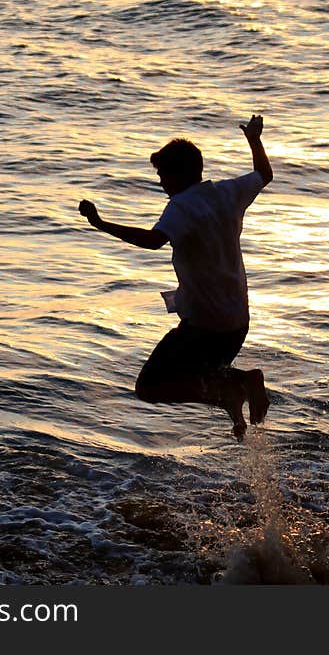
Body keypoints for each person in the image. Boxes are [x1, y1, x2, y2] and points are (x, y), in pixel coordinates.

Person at [79, 115, 273, 440]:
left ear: (180, 174)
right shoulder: (227, 192)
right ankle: (233, 403)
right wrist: (254, 139)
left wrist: (100, 223)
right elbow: (264, 174)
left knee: (150, 387)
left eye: (162, 175)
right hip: (237, 321)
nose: (160, 184)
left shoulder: (181, 206)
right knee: (205, 376)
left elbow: (153, 240)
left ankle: (241, 386)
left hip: (205, 325)